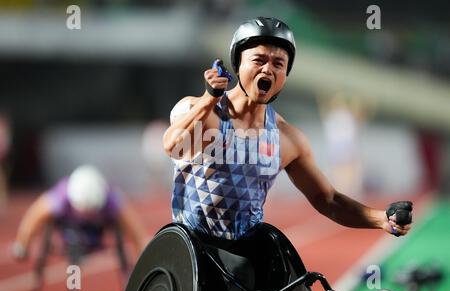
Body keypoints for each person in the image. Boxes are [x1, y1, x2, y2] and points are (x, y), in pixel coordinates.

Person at [162, 17, 412, 243]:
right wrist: (209, 99)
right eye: (258, 60)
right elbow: (172, 146)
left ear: (285, 76)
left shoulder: (288, 139)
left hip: (245, 257)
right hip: (191, 250)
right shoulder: (200, 110)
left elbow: (328, 200)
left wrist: (381, 218)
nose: (268, 69)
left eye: (278, 63)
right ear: (238, 64)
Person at [12, 164, 148, 291]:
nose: (87, 215)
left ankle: (128, 283)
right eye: (84, 211)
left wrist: (142, 259)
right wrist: (22, 244)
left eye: (91, 211)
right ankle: (73, 285)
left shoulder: (111, 199)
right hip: (70, 228)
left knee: (118, 234)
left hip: (97, 230)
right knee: (73, 251)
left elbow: (134, 229)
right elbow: (35, 217)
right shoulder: (61, 196)